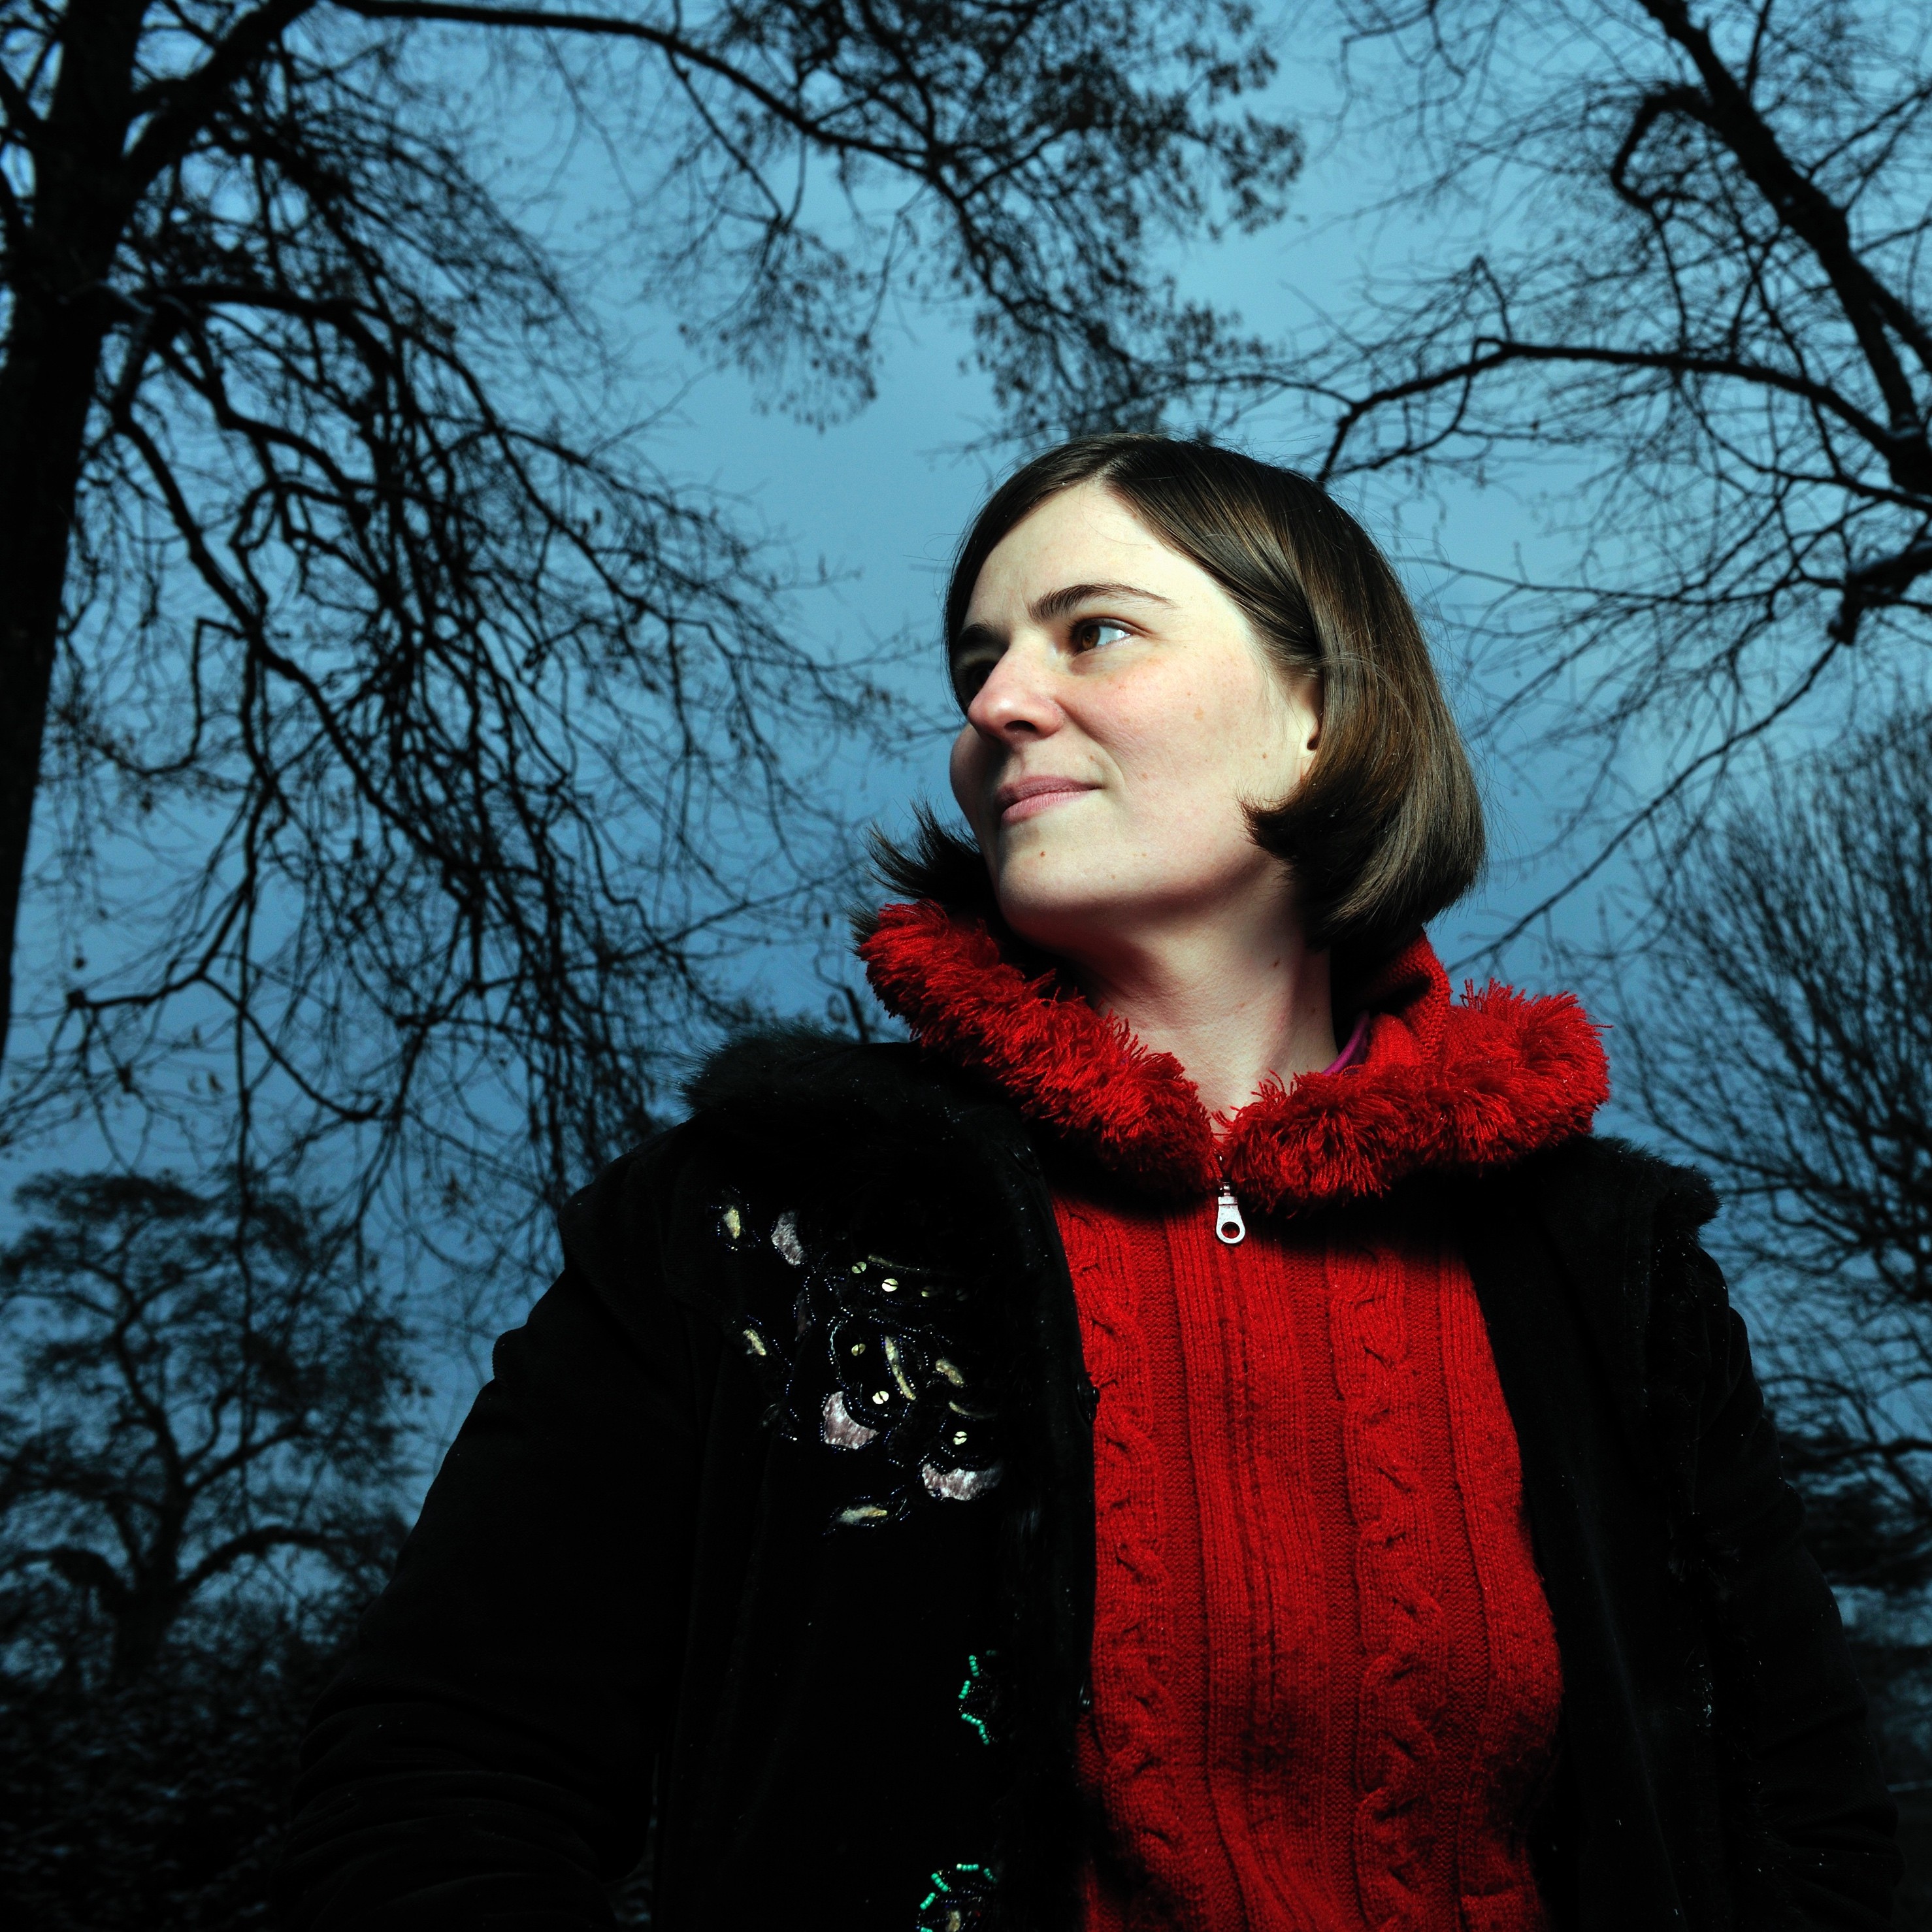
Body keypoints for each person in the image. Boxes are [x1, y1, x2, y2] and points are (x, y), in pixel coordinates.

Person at [278, 436, 1899, 1931]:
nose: (996, 706)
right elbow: (434, 1782)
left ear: (1321, 705)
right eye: (977, 663)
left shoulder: (1600, 1272)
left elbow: (1809, 1833)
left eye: (1093, 632)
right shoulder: (757, 1220)